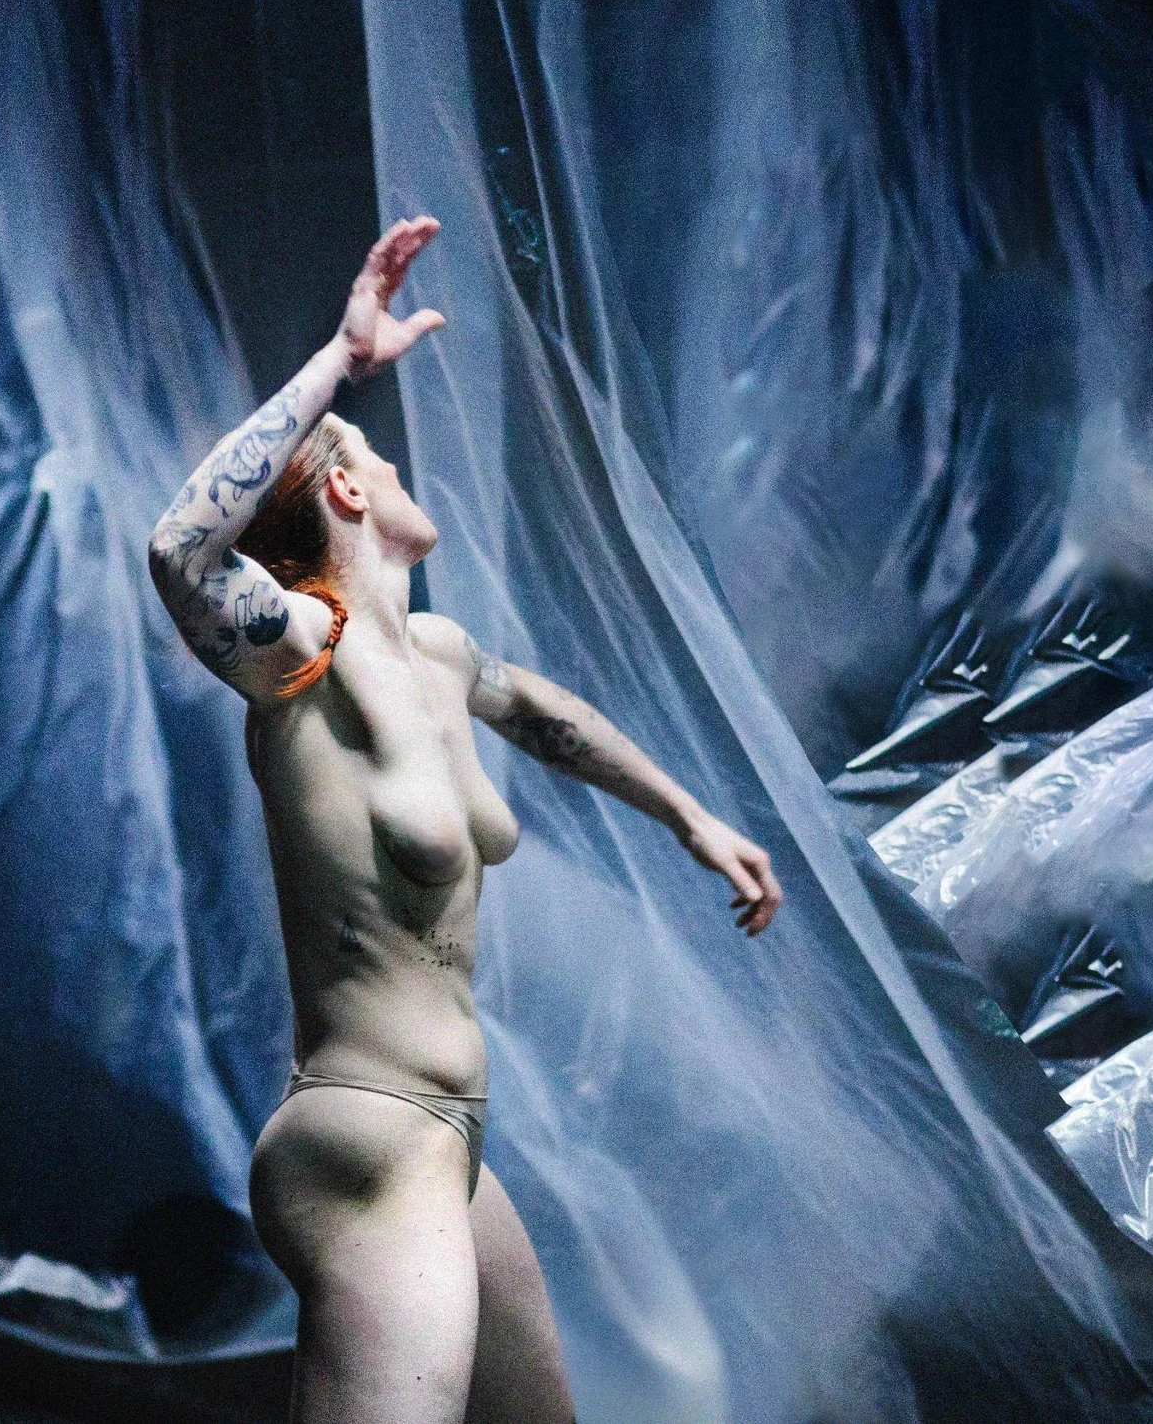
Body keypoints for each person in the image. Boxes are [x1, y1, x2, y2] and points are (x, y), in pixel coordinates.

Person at [148, 218, 783, 1423]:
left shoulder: (435, 655)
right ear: (346, 488)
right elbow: (179, 547)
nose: (401, 472)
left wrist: (689, 816)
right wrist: (340, 363)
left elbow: (542, 711)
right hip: (366, 1138)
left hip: (449, 1144)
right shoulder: (303, 656)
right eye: (378, 460)